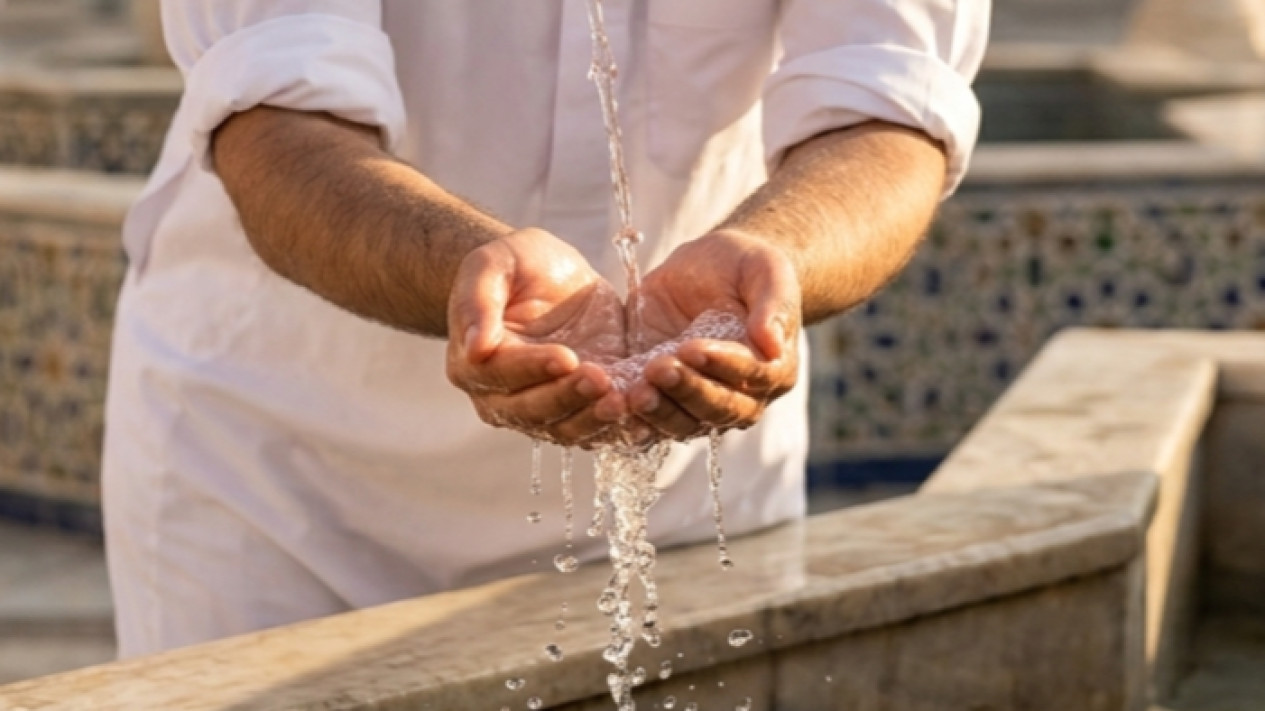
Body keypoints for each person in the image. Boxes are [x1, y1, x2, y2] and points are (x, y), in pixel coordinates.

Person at [103, 0, 988, 657]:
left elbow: (890, 102)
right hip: (275, 479)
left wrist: (770, 256)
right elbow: (275, 119)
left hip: (684, 464)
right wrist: (466, 267)